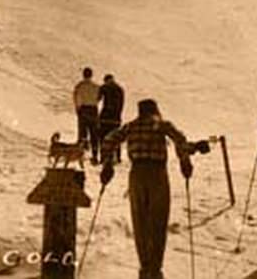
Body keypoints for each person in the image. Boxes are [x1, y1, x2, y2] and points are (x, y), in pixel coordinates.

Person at [100, 99, 194, 279]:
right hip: (157, 174)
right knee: (158, 221)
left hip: (137, 175)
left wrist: (108, 165)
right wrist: (185, 162)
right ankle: (155, 269)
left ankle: (145, 268)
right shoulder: (161, 125)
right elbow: (179, 139)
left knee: (140, 221)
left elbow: (109, 140)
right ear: (155, 110)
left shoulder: (131, 126)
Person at [73, 67, 101, 164]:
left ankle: (81, 155)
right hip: (93, 110)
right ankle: (95, 155)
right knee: (94, 134)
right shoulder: (96, 86)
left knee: (82, 134)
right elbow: (99, 98)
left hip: (83, 109)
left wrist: (78, 110)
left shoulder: (79, 86)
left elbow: (76, 99)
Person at [98, 74, 125, 163]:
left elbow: (97, 99)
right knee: (116, 138)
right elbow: (122, 104)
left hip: (105, 117)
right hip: (116, 118)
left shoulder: (104, 87)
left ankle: (103, 157)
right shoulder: (120, 89)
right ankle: (117, 157)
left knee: (103, 138)